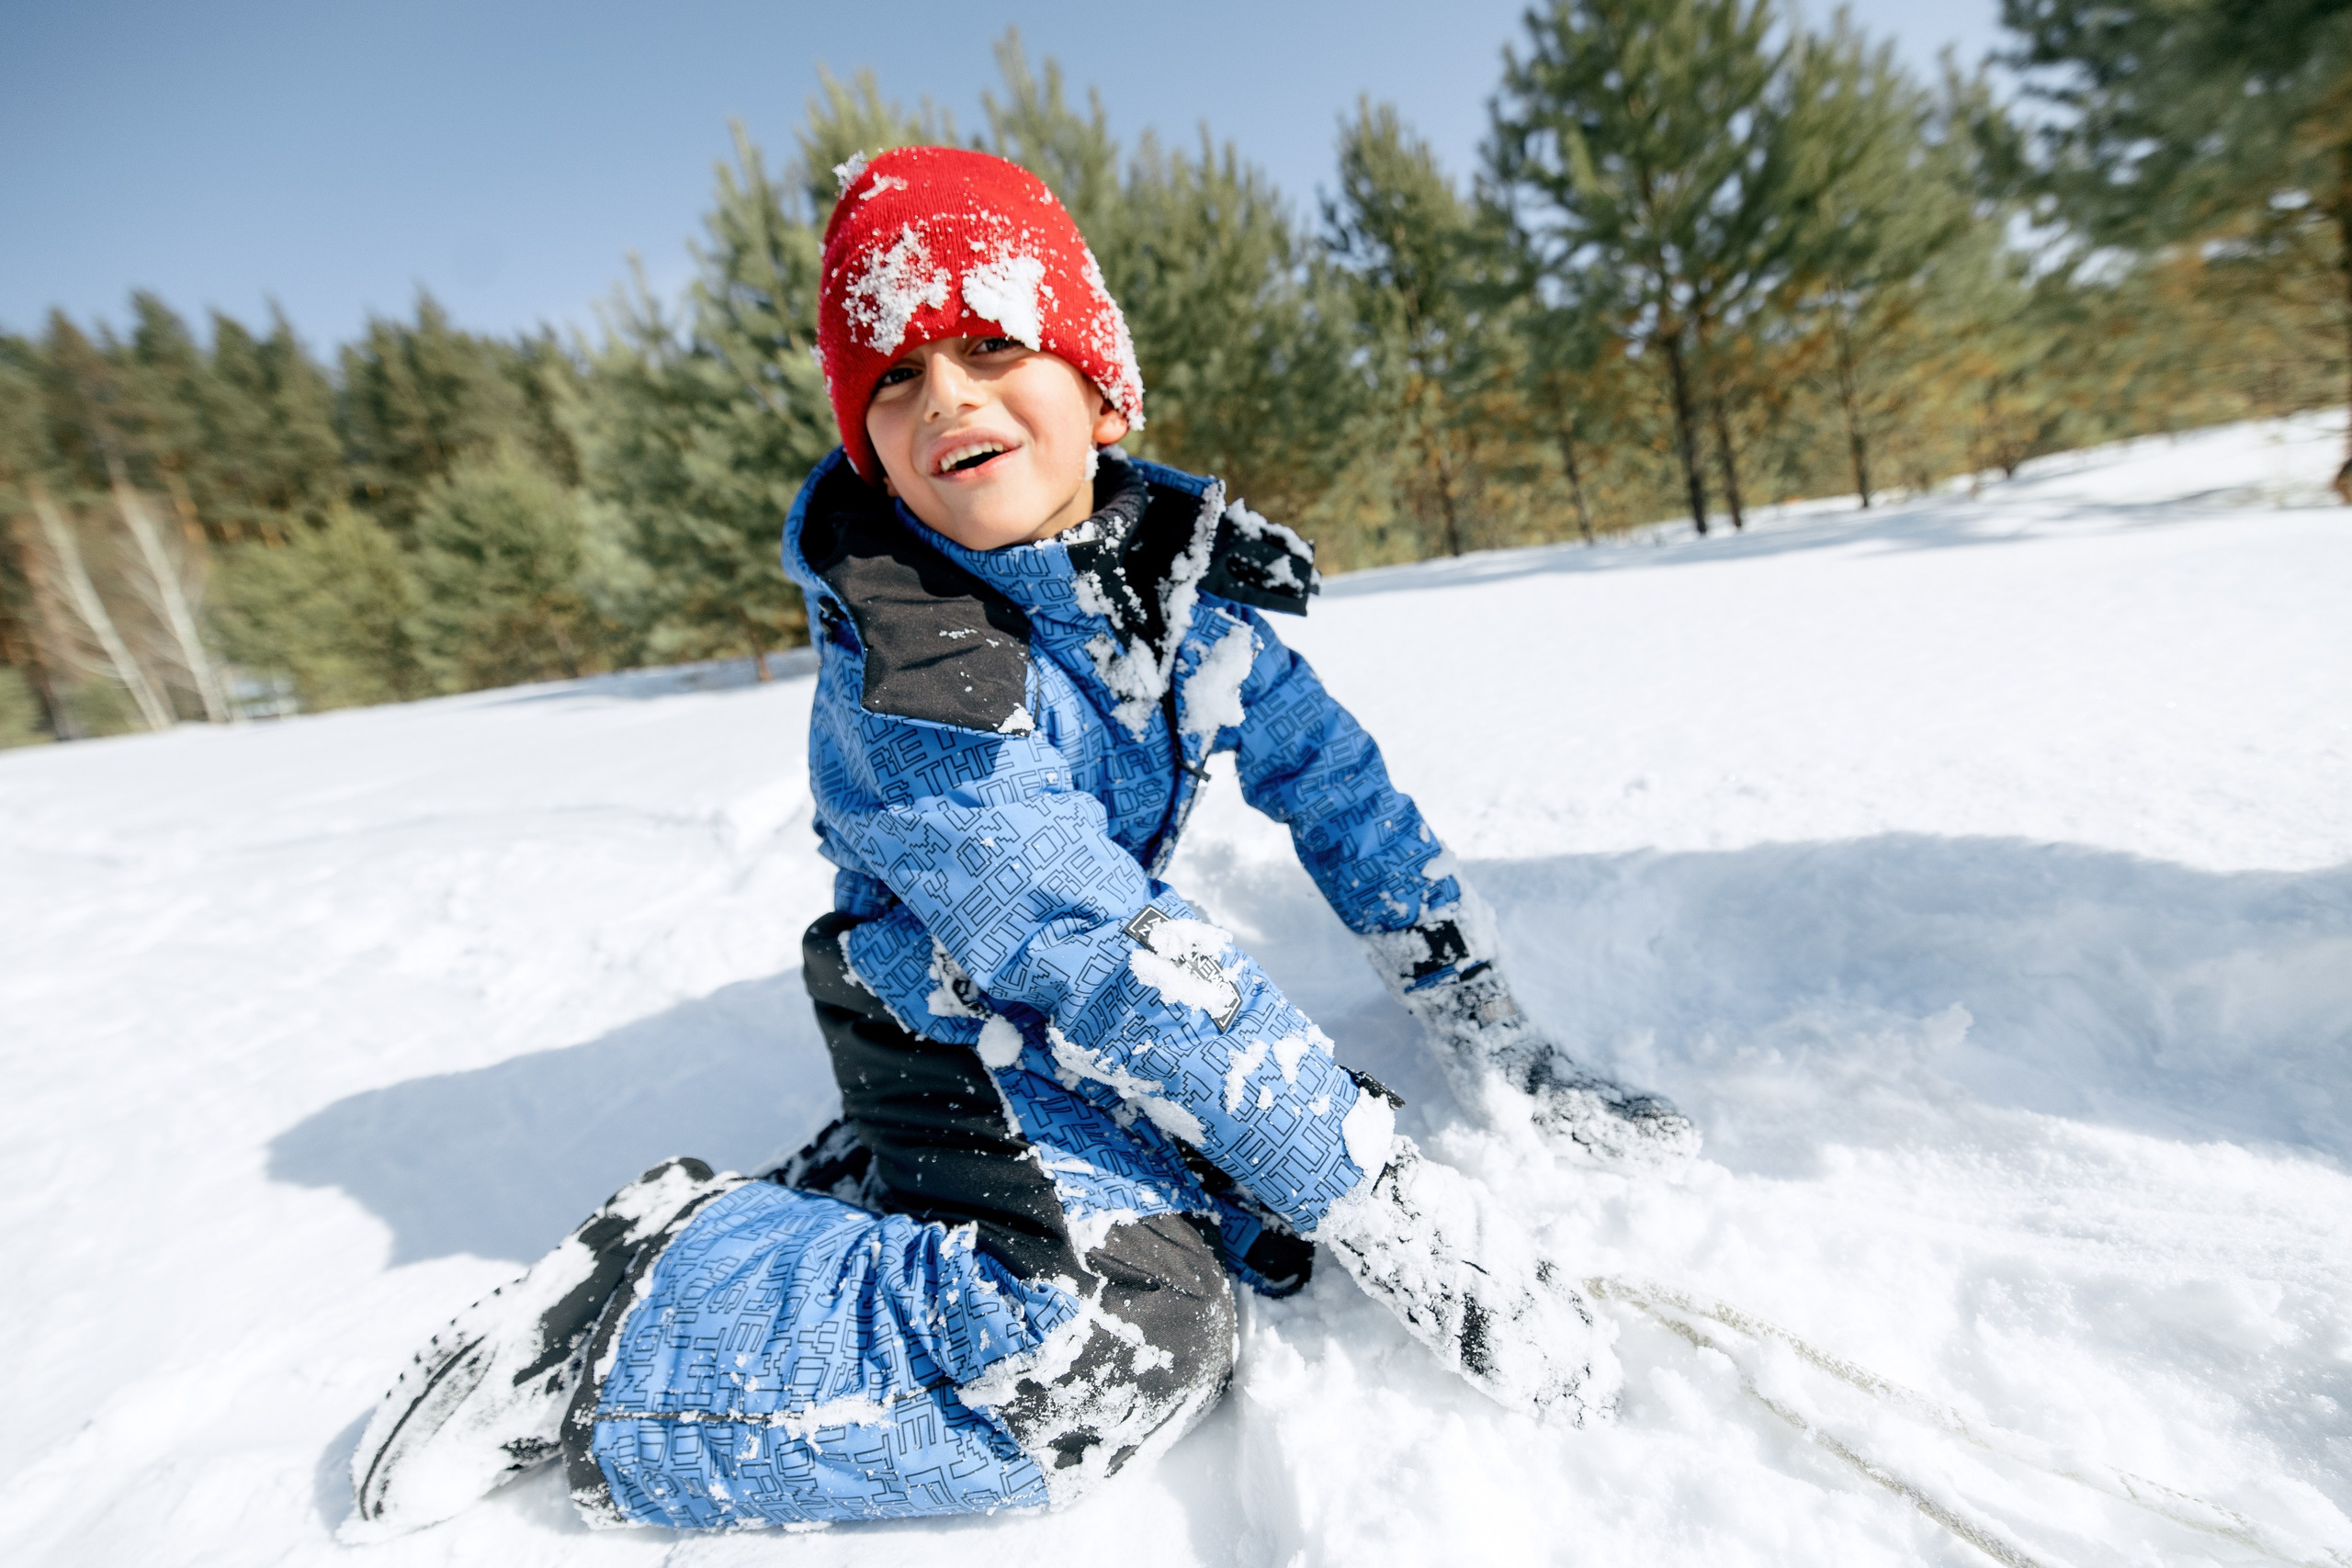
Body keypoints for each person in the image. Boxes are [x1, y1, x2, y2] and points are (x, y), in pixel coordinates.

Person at [344, 146, 1695, 1540]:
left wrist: (1485, 1021)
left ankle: (888, 1194)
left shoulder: (1176, 604)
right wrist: (1387, 1204)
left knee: (1272, 1175)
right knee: (1113, 1345)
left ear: (1100, 386)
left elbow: (1342, 795)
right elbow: (1093, 943)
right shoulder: (919, 675)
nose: (950, 400)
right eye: (898, 382)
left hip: (1085, 1010)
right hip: (941, 1021)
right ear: (870, 446)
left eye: (992, 346)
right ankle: (649, 1311)